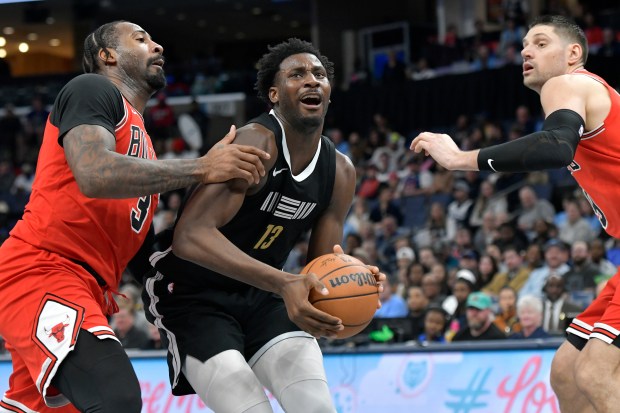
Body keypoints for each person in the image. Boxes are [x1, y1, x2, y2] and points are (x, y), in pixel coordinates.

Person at [0, 21, 270, 413]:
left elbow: (139, 251)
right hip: (42, 269)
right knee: (116, 398)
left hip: (88, 287)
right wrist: (203, 168)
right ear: (107, 56)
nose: (158, 46)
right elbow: (94, 173)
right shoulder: (91, 89)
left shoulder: (142, 145)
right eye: (141, 40)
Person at [142, 38, 384, 412]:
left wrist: (351, 281)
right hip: (192, 295)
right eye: (297, 74)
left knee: (316, 407)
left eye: (319, 74)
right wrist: (285, 282)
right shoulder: (256, 143)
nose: (311, 81)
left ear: (330, 94)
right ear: (273, 94)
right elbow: (190, 236)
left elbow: (318, 269)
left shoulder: (340, 172)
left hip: (263, 294)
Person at [410, 15, 620, 413]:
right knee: (566, 370)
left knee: (595, 371)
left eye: (541, 43)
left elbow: (555, 148)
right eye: (524, 45)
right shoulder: (589, 95)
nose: (526, 51)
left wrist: (459, 159)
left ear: (573, 53)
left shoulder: (568, 83)